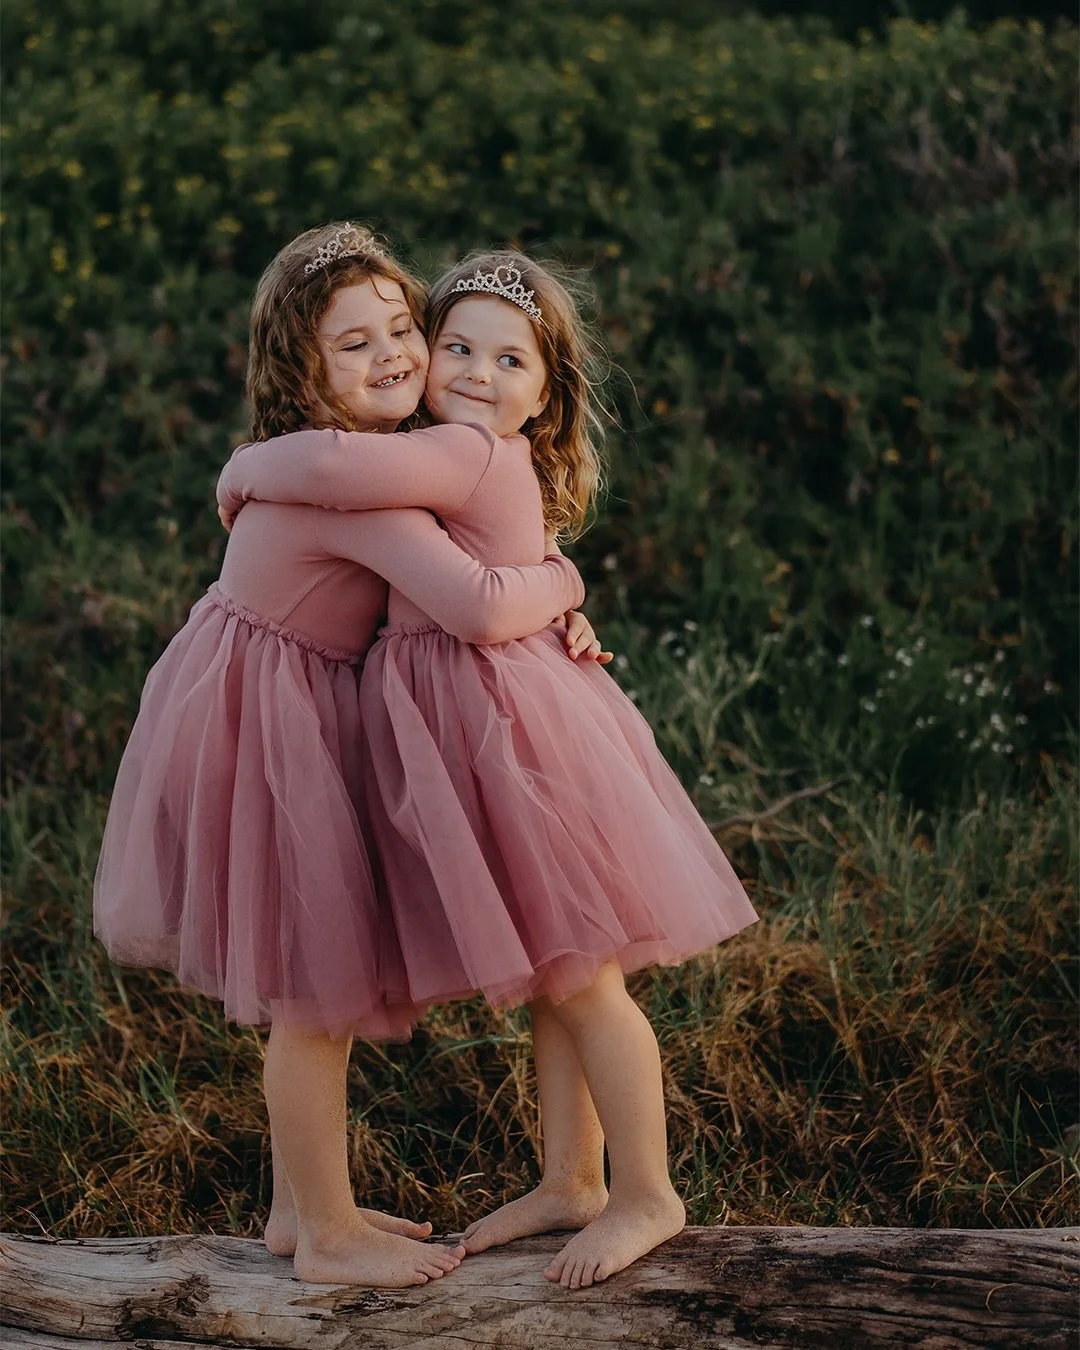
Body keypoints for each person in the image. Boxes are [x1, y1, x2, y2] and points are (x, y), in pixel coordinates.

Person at [217, 249, 759, 1290]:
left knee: (587, 975)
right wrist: (560, 582)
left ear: (549, 388)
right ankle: (572, 1180)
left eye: (509, 358)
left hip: (513, 736)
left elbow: (335, 480)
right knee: (563, 968)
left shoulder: (460, 454)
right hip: (476, 732)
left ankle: (648, 1190)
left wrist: (242, 469)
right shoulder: (441, 445)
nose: (471, 370)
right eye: (455, 344)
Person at [95, 224, 605, 1289]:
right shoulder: (349, 484)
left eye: (400, 331)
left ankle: (297, 1210)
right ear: (302, 371)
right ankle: (325, 1235)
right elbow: (471, 601)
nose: (393, 357)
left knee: (303, 982)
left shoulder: (343, 465)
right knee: (312, 997)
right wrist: (568, 584)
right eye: (352, 345)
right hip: (266, 728)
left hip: (272, 706)